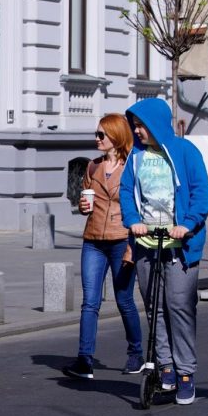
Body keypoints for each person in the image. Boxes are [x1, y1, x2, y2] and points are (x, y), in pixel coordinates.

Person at [120, 98, 208, 405]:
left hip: (180, 246)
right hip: (147, 244)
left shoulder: (185, 151)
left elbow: (201, 193)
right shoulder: (136, 156)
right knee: (154, 308)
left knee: (179, 307)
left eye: (141, 125)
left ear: (156, 124)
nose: (137, 131)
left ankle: (186, 372)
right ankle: (166, 367)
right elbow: (126, 192)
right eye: (134, 126)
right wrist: (132, 221)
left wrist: (187, 224)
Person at [63, 114, 144, 380]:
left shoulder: (133, 167)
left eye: (101, 135)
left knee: (124, 300)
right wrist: (83, 206)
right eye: (96, 134)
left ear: (116, 136)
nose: (96, 139)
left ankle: (136, 354)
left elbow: (140, 209)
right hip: (93, 241)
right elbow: (86, 205)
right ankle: (84, 360)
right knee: (90, 302)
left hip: (122, 239)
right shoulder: (92, 167)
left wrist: (133, 247)